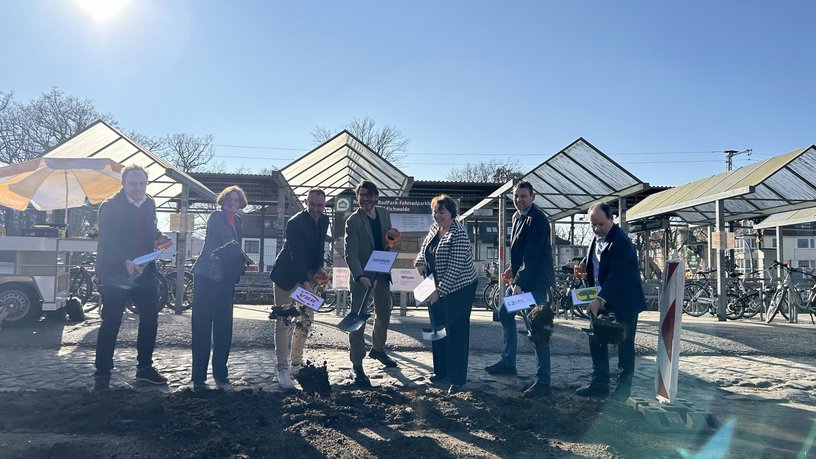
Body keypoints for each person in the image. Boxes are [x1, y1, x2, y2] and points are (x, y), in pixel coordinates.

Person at [93, 164, 172, 391]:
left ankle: (145, 368)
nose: (138, 188)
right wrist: (125, 261)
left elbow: (150, 231)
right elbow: (108, 241)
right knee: (111, 321)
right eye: (134, 183)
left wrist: (160, 238)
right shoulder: (109, 207)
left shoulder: (150, 203)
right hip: (115, 272)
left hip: (145, 270)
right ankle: (103, 373)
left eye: (142, 183)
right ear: (123, 184)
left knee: (150, 319)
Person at [484, 181, 556, 397]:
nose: (519, 200)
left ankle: (543, 380)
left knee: (537, 329)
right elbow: (520, 253)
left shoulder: (538, 219)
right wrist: (511, 270)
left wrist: (520, 283)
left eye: (523, 196)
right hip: (521, 280)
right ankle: (508, 362)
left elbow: (532, 255)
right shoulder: (517, 217)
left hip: (534, 284)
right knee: (505, 314)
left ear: (533, 196)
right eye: (516, 196)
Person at [574, 202, 646, 400]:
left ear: (611, 219)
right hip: (602, 298)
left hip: (624, 301)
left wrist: (600, 299)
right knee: (596, 340)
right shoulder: (597, 238)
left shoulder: (621, 242)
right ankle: (599, 383)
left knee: (624, 346)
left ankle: (622, 394)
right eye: (592, 225)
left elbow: (617, 275)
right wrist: (584, 269)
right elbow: (598, 264)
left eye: (600, 224)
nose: (596, 229)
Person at [414, 195, 478, 394]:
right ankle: (441, 371)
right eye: (434, 211)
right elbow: (424, 249)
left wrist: (439, 292)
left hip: (459, 288)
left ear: (451, 213)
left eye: (441, 211)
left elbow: (455, 268)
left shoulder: (458, 234)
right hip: (434, 285)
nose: (437, 215)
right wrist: (420, 262)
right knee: (438, 329)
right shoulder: (435, 228)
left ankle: (458, 378)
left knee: (456, 331)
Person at [190, 186, 249, 391]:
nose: (233, 203)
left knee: (224, 327)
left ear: (240, 203)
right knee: (202, 327)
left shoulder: (238, 221)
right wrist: (244, 258)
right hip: (207, 277)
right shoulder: (217, 217)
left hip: (225, 279)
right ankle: (198, 376)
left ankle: (220, 373)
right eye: (229, 199)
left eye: (236, 200)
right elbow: (229, 242)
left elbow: (234, 246)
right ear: (223, 201)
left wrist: (240, 262)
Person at [269, 188, 329, 389]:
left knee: (306, 318)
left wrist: (319, 268)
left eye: (320, 205)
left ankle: (296, 363)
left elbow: (319, 248)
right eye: (312, 204)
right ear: (306, 201)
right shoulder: (294, 223)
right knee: (284, 321)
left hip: (308, 276)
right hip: (286, 276)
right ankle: (282, 368)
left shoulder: (324, 221)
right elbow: (296, 255)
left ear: (324, 205)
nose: (315, 209)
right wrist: (305, 283)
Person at [344, 180, 400, 388]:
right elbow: (351, 254)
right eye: (361, 195)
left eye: (369, 195)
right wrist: (360, 277)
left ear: (376, 197)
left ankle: (378, 349)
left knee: (384, 312)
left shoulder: (384, 214)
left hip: (382, 272)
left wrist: (392, 237)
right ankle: (357, 364)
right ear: (357, 197)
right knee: (358, 320)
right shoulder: (354, 221)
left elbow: (388, 241)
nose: (365, 199)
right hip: (363, 277)